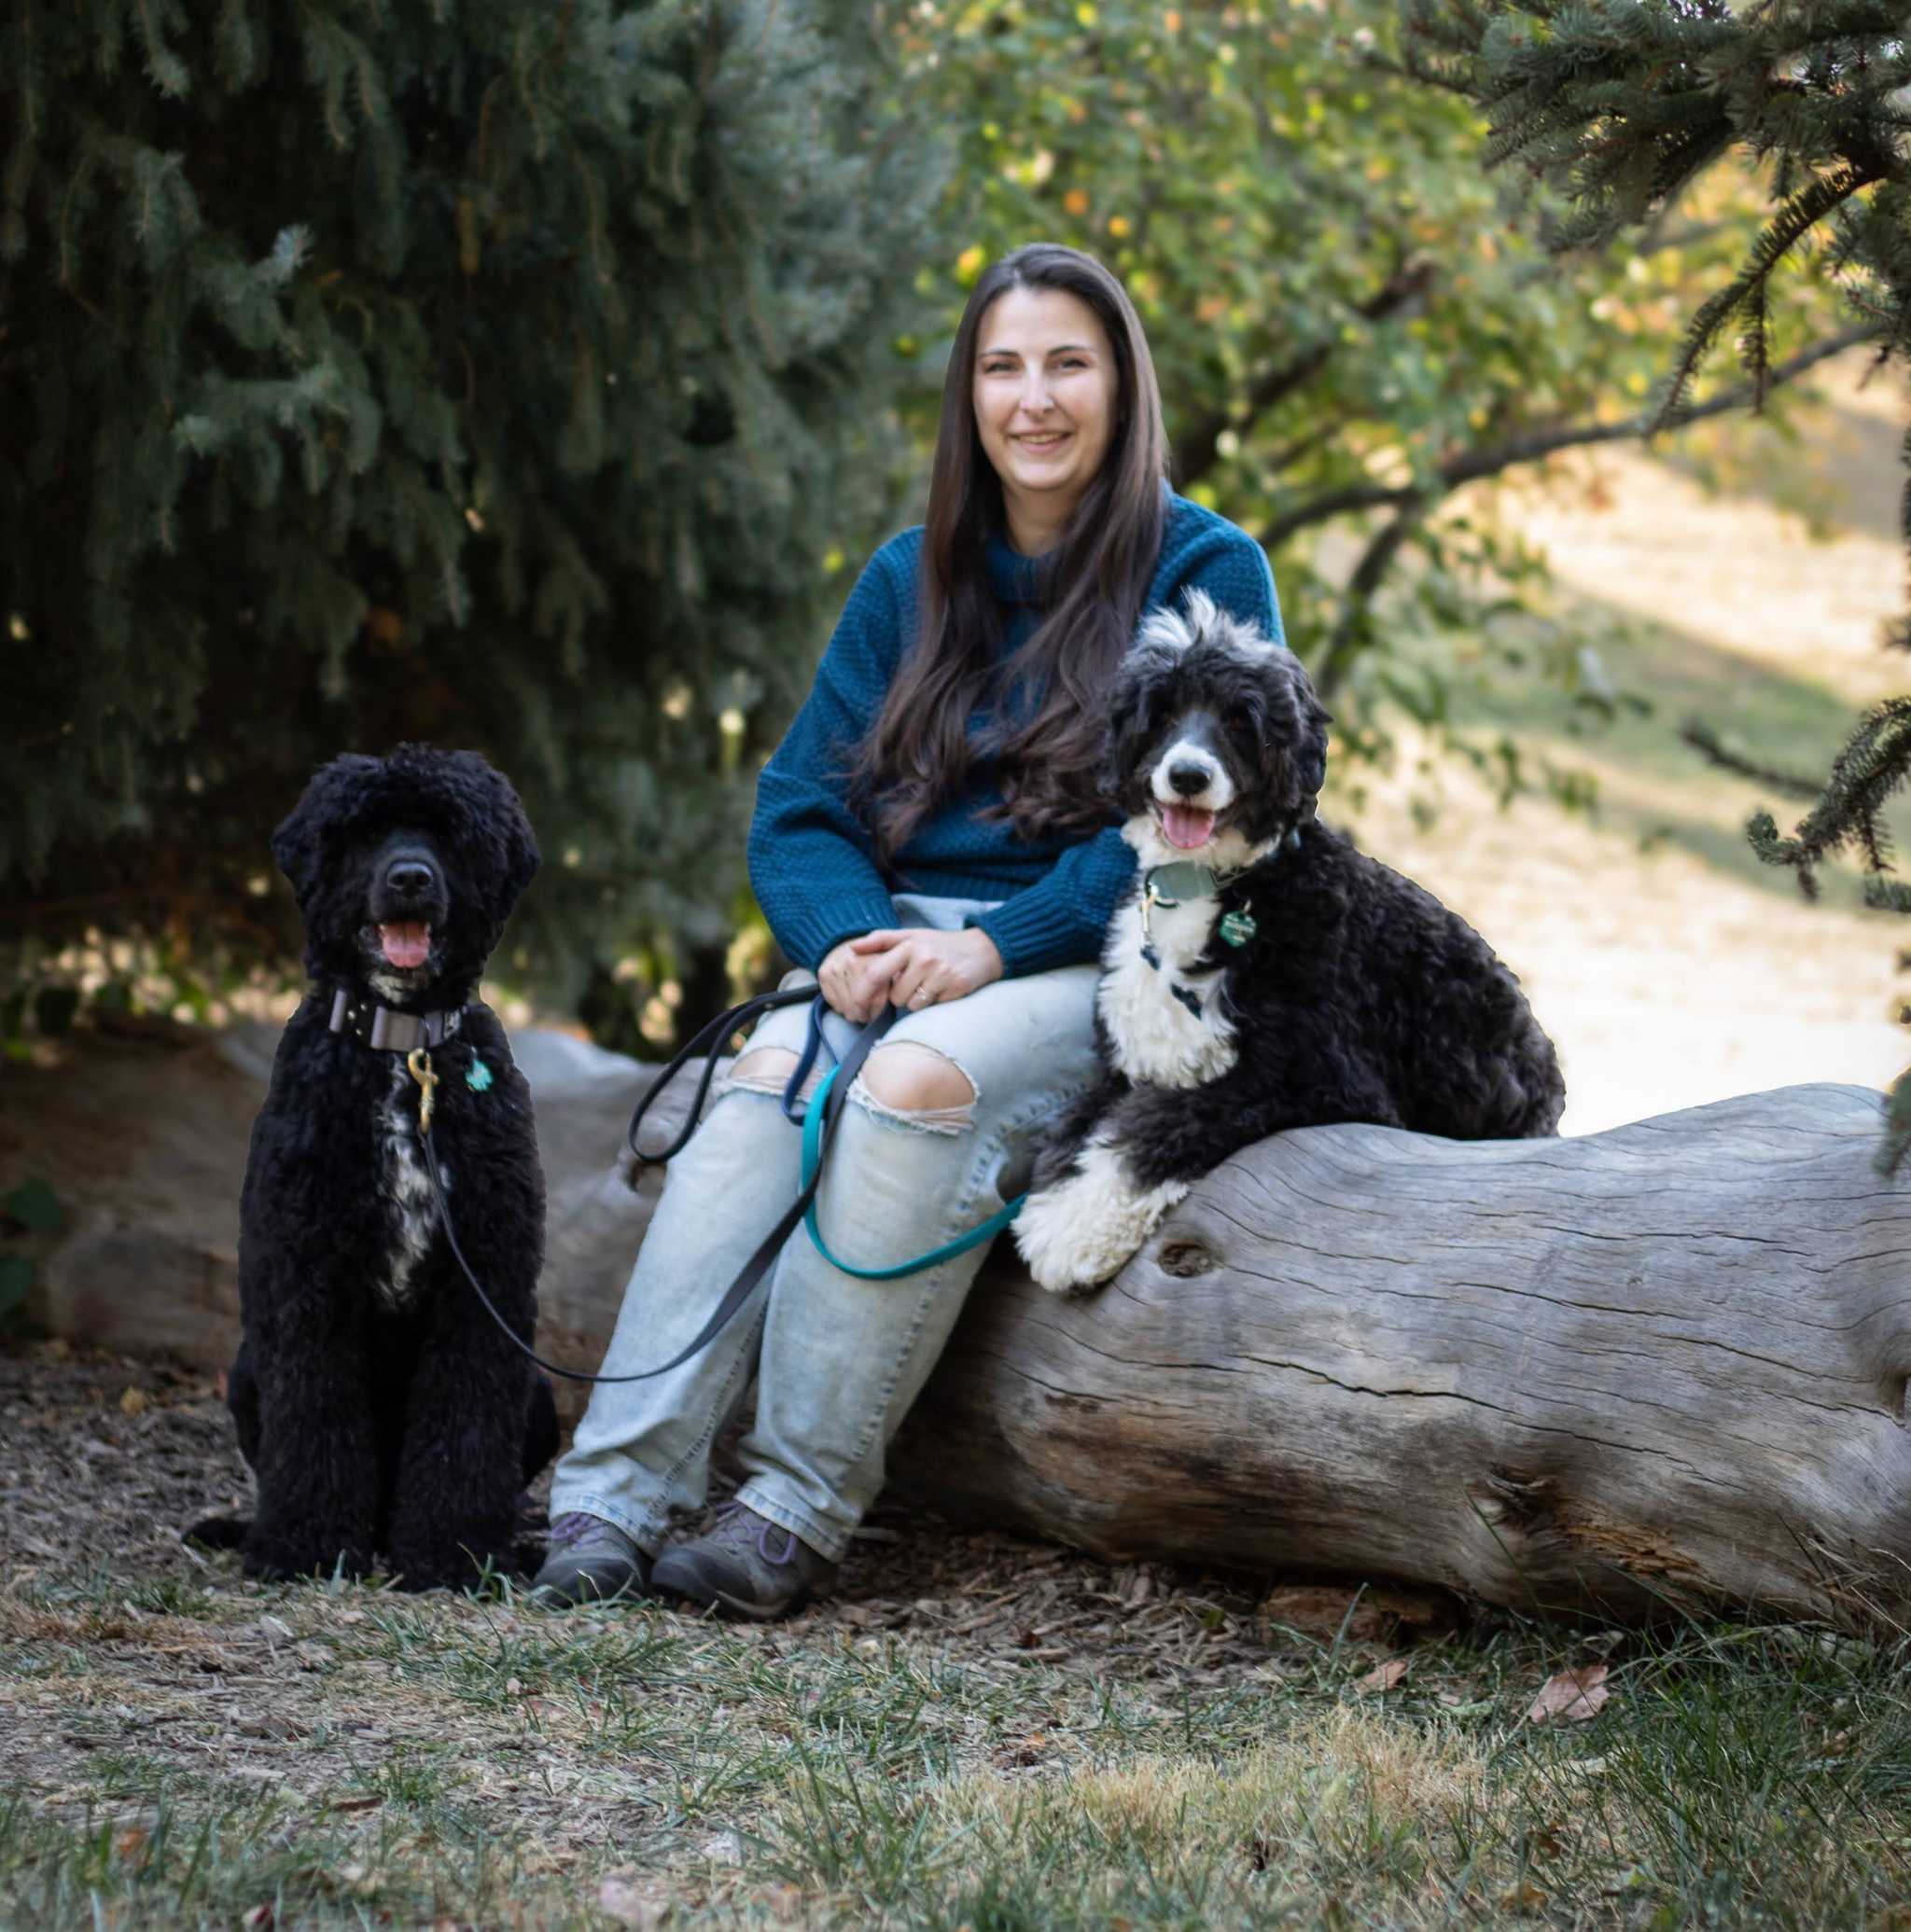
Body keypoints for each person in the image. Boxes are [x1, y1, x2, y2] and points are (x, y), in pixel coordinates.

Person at [532, 242, 1285, 1619]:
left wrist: (990, 951)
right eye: (1003, 367)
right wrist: (849, 942)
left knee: (914, 1083)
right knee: (764, 1081)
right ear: (969, 397)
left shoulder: (1207, 562)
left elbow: (1200, 831)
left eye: (1069, 363)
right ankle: (610, 1497)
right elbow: (801, 804)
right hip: (898, 944)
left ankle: (790, 1508)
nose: (1034, 398)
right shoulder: (909, 577)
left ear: (1122, 384)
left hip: (1102, 957)